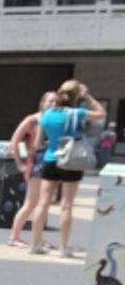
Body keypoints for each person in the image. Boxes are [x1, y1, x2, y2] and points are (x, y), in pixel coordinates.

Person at [30, 79, 106, 257]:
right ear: (76, 96)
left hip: (50, 159)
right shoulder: (77, 113)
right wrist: (87, 96)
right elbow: (101, 113)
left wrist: (53, 142)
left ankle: (35, 244)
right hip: (72, 161)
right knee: (66, 205)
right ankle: (63, 248)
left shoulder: (46, 115)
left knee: (43, 203)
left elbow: (37, 143)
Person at [6, 93, 58, 248]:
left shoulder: (55, 121)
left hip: (51, 163)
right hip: (36, 162)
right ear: (42, 103)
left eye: (56, 101)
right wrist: (20, 163)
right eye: (50, 101)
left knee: (44, 203)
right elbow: (14, 142)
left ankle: (38, 238)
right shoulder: (32, 120)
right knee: (31, 202)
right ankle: (14, 237)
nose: (54, 104)